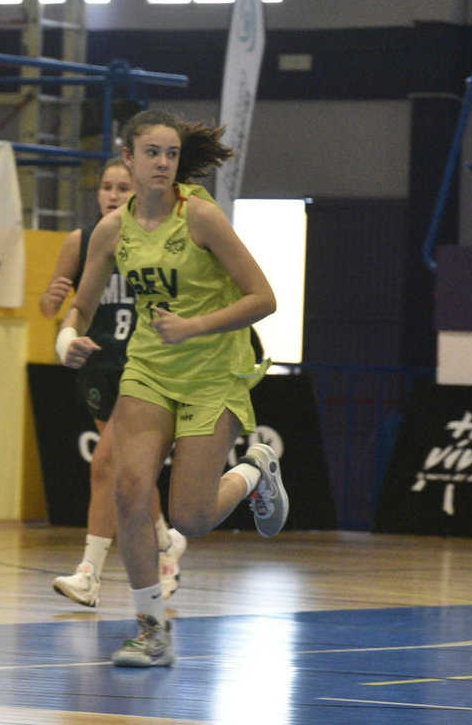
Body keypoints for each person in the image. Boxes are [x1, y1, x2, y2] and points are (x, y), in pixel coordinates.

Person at [62, 110, 287, 667]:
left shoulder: (202, 218)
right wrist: (67, 334)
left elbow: (264, 298)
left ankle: (255, 468)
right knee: (129, 488)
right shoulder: (113, 229)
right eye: (153, 153)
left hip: (214, 372)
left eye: (171, 154)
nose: (163, 162)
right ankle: (151, 629)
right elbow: (85, 303)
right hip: (149, 368)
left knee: (190, 517)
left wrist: (194, 326)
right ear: (128, 159)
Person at [40, 161, 186, 607]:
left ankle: (90, 573)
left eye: (122, 186)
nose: (111, 193)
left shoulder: (158, 239)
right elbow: (58, 307)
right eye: (105, 186)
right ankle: (165, 543)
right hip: (100, 365)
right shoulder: (82, 241)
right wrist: (50, 304)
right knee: (128, 469)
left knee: (106, 464)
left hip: (144, 364)